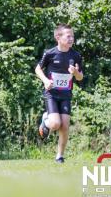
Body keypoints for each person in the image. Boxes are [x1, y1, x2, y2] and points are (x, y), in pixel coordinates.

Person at [35, 24, 83, 163]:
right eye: (68, 36)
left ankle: (59, 156)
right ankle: (46, 119)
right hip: (52, 93)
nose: (71, 39)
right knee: (55, 124)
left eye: (72, 36)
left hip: (66, 95)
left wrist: (75, 73)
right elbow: (38, 69)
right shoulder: (50, 53)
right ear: (58, 37)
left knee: (65, 125)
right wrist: (45, 80)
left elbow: (80, 77)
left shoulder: (76, 55)